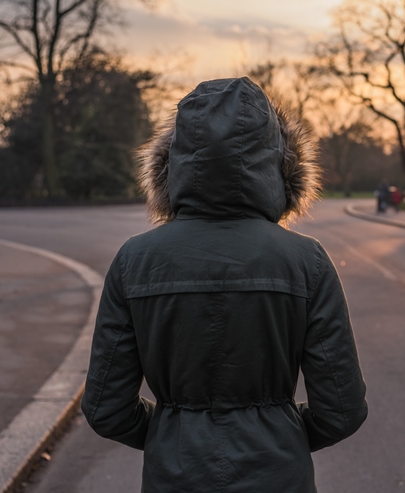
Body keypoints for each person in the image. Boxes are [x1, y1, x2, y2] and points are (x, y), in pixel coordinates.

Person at [81, 77, 368, 493]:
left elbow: (106, 408)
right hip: (279, 476)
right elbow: (342, 410)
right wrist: (279, 434)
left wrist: (171, 435)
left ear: (171, 161)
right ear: (281, 164)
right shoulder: (308, 261)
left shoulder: (135, 260)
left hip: (173, 477)